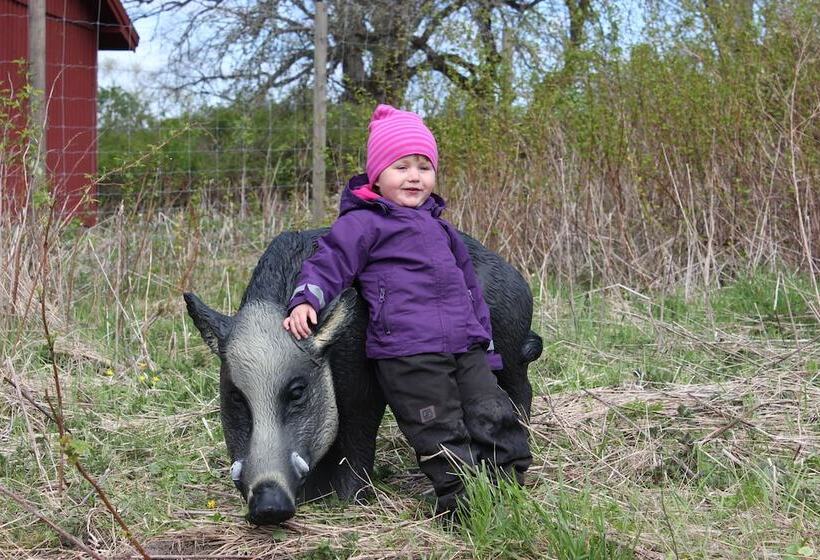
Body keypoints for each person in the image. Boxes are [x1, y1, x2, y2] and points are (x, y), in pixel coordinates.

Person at [283, 104, 531, 518]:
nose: (415, 176)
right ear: (377, 176)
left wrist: (484, 343)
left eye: (424, 166)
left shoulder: (441, 228)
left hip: (464, 347)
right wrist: (306, 299)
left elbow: (470, 288)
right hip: (408, 354)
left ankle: (507, 493)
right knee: (438, 428)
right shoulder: (362, 224)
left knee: (495, 414)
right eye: (401, 166)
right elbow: (328, 263)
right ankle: (463, 507)